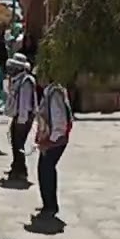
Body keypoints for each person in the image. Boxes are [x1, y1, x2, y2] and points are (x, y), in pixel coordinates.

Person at [34, 74, 72, 219]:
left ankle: (50, 206)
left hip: (55, 141)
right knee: (45, 170)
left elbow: (59, 120)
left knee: (46, 171)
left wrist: (50, 142)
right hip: (50, 139)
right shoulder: (49, 92)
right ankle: (49, 203)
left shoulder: (54, 94)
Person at [4, 53, 37, 182]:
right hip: (18, 116)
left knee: (18, 144)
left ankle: (21, 170)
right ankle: (16, 166)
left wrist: (21, 120)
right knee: (15, 142)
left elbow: (25, 102)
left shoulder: (26, 81)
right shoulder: (17, 80)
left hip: (23, 117)